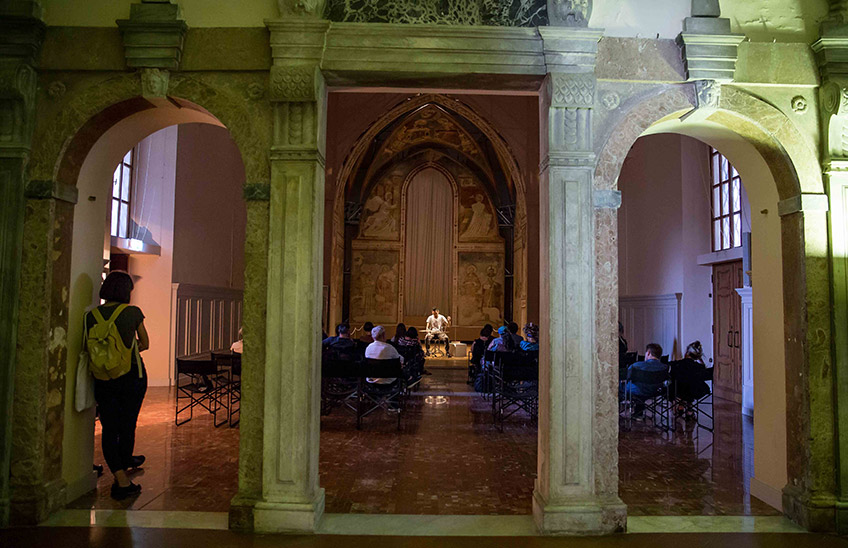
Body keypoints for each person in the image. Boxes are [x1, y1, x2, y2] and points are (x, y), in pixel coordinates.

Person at [85, 271, 148, 500]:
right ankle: (122, 479)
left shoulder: (90, 316)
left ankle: (119, 472)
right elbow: (145, 343)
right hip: (131, 376)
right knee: (127, 425)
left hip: (102, 378)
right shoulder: (132, 313)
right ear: (126, 291)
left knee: (109, 428)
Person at [620, 343, 668, 418]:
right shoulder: (665, 367)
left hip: (635, 391)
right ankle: (638, 413)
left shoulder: (637, 366)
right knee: (641, 387)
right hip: (654, 391)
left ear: (648, 353)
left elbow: (624, 376)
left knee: (621, 387)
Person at [670, 341, 711, 420]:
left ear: (687, 353)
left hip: (678, 390)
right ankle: (689, 409)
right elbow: (705, 374)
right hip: (694, 391)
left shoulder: (677, 364)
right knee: (691, 385)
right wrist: (701, 361)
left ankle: (681, 405)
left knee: (681, 385)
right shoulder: (699, 367)